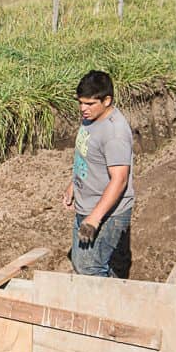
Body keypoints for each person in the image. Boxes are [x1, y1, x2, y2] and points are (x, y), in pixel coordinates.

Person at [63, 70, 134, 277]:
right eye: (81, 102)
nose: (83, 109)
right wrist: (73, 185)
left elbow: (120, 180)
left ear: (107, 100)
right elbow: (88, 155)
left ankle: (106, 307)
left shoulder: (114, 134)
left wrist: (94, 218)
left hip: (108, 213)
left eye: (89, 104)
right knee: (85, 262)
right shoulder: (92, 118)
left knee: (89, 269)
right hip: (88, 205)